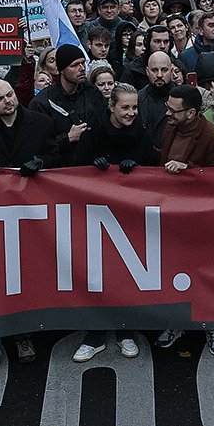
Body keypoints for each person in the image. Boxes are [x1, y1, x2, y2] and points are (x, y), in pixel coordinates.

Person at [0, 78, 60, 384]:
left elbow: (60, 159)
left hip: (32, 218)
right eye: (0, 98)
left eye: (10, 95)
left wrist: (42, 163)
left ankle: (23, 335)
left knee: (25, 277)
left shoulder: (43, 124)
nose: (7, 101)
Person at [72, 83, 152, 363]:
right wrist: (92, 166)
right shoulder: (93, 134)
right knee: (96, 273)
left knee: (125, 273)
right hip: (95, 216)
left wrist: (137, 168)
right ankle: (94, 334)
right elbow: (73, 172)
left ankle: (124, 330)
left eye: (134, 107)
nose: (131, 112)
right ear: (112, 107)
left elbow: (153, 172)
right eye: (125, 107)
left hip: (129, 218)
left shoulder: (142, 133)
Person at [155, 83, 214, 354]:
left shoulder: (213, 139)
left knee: (205, 273)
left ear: (190, 113)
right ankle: (177, 322)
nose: (167, 114)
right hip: (172, 214)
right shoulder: (171, 128)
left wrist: (189, 171)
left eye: (173, 111)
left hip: (201, 219)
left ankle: (212, 326)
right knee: (174, 270)